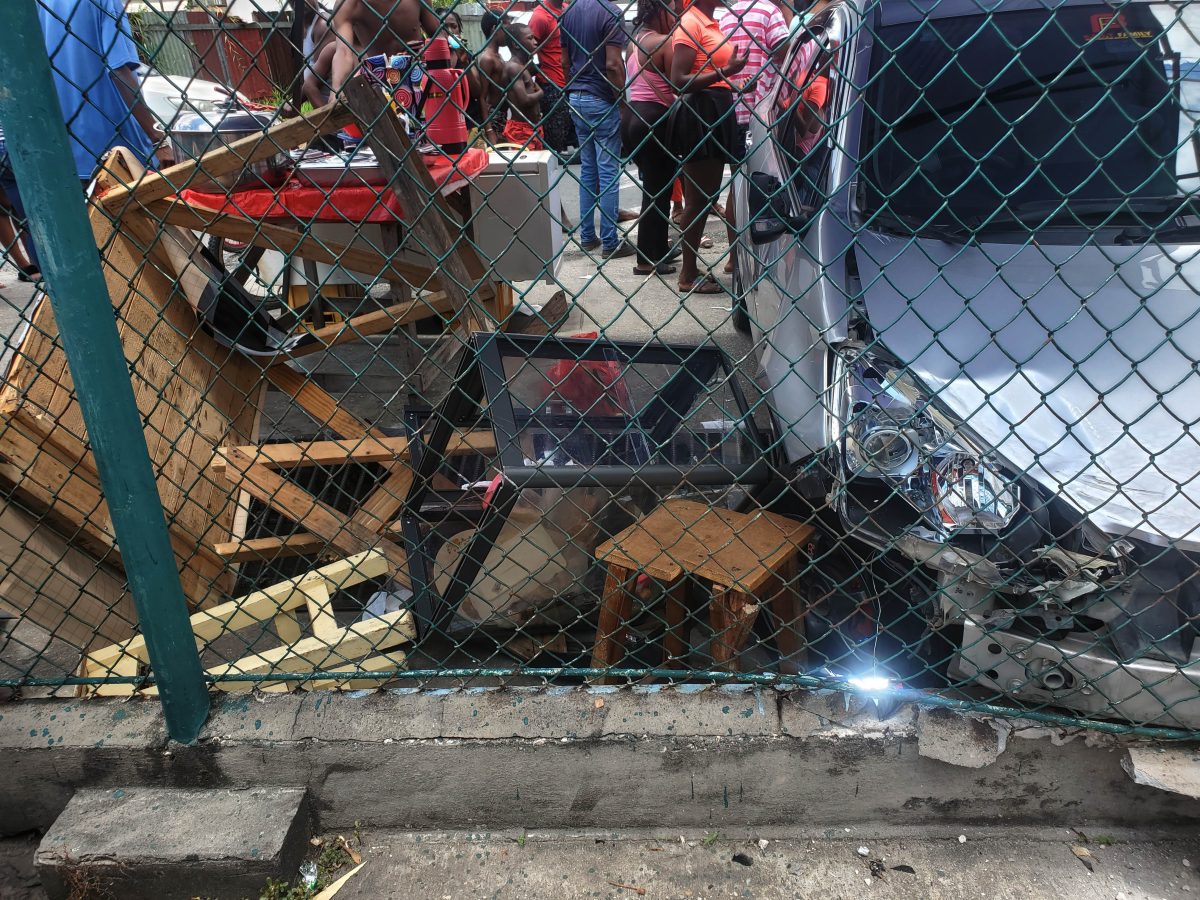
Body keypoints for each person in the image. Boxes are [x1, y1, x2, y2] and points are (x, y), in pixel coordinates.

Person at [0, 0, 169, 273]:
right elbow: (119, 69)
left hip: (54, 154)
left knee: (75, 261)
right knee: (144, 260)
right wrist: (157, 137)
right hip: (115, 154)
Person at [667, 0, 749, 294]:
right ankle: (687, 275)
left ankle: (690, 269)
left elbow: (709, 71)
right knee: (700, 199)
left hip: (714, 110)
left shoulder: (708, 21)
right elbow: (678, 80)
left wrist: (734, 84)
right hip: (702, 114)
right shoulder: (691, 22)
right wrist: (725, 72)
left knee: (705, 194)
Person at [716, 0, 788, 272]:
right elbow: (786, 50)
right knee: (767, 185)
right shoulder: (770, 12)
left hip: (732, 112)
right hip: (763, 114)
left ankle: (735, 258)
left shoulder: (726, 17)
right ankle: (763, 259)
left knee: (737, 188)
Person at [561, 0, 635, 257]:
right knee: (608, 172)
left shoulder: (568, 12)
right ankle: (610, 242)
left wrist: (574, 88)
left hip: (577, 96)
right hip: (602, 97)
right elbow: (614, 64)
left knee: (589, 171)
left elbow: (564, 62)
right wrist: (622, 101)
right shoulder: (611, 12)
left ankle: (588, 236)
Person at [622, 0, 683, 275]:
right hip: (656, 120)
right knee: (658, 191)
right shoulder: (662, 42)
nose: (675, 14)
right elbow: (678, 85)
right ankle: (647, 258)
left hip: (634, 116)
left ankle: (658, 248)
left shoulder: (634, 41)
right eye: (671, 8)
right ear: (660, 10)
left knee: (655, 188)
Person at [329, 0, 440, 93]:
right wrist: (337, 88)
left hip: (421, 75)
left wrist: (424, 51)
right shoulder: (350, 4)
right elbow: (343, 52)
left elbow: (438, 35)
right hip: (381, 83)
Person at [529, 0, 577, 155]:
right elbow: (526, 48)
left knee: (572, 132)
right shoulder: (540, 16)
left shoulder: (566, 9)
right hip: (552, 83)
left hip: (572, 80)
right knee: (554, 140)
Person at [500, 24, 546, 150]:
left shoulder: (523, 66)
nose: (535, 42)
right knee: (527, 167)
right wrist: (541, 92)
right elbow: (524, 99)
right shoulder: (513, 67)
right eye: (530, 38)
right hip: (521, 130)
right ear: (516, 44)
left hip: (533, 126)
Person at [477, 10, 511, 145]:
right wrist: (489, 130)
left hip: (502, 115)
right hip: (493, 117)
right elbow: (482, 97)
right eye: (507, 26)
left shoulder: (499, 56)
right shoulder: (488, 59)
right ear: (495, 28)